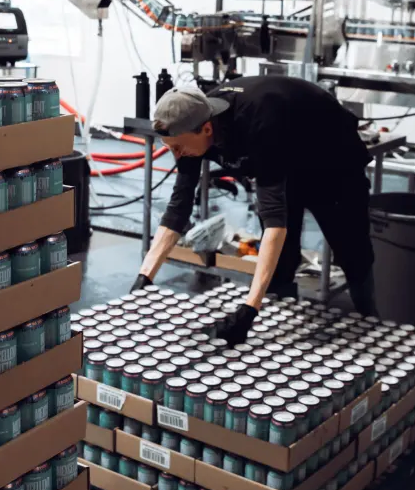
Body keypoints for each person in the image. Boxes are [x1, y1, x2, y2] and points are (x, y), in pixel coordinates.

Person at [131, 76, 377, 345]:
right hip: (287, 155)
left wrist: (248, 310)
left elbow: (274, 223)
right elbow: (178, 209)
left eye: (178, 148)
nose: (176, 155)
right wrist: (144, 278)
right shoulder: (190, 125)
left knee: (351, 251)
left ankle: (371, 322)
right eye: (171, 149)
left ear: (206, 130)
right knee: (282, 259)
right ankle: (283, 321)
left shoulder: (258, 121)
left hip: (331, 157)